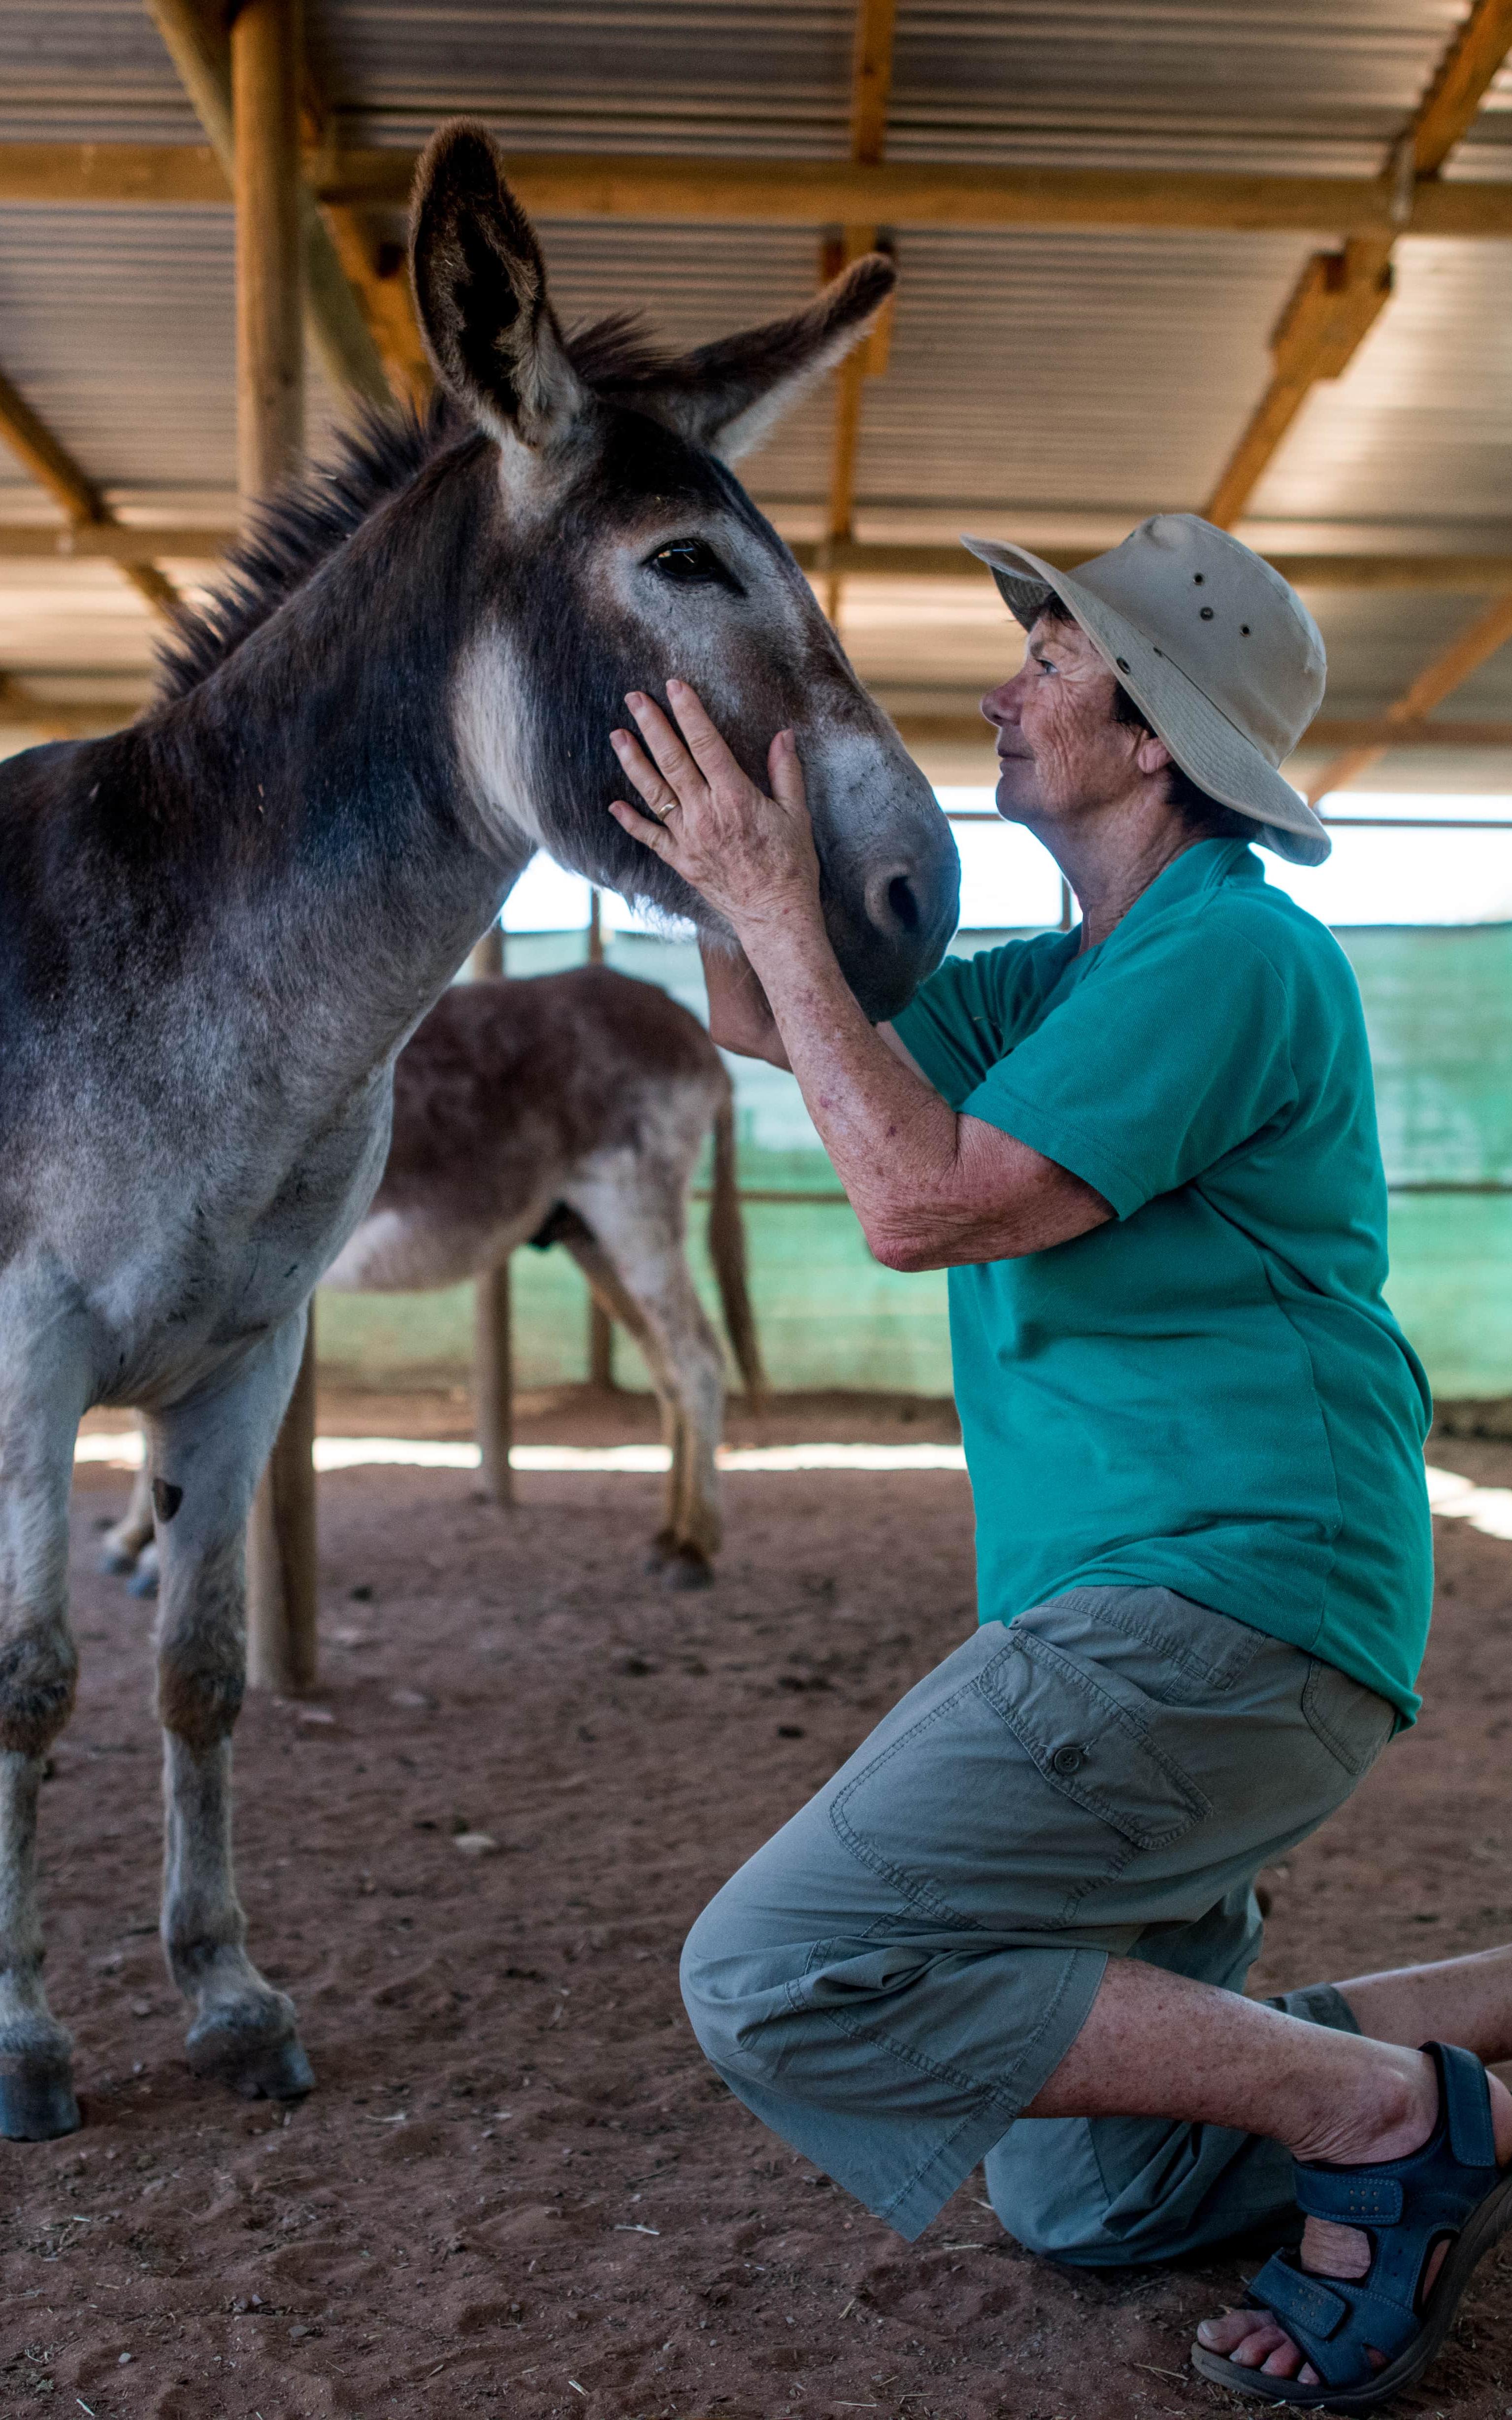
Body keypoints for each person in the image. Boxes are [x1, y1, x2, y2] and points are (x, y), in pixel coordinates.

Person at [604, 513, 1512, 2411]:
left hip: (1221, 1599)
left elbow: (923, 1201)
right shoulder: (1068, 978)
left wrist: (767, 887)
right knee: (1104, 2193)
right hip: (1175, 1612)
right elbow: (781, 1016)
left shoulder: (1230, 957)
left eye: (1052, 659)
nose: (1007, 688)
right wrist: (708, 813)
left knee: (781, 1974)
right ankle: (1479, 2059)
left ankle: (1388, 2121)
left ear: (1155, 731)